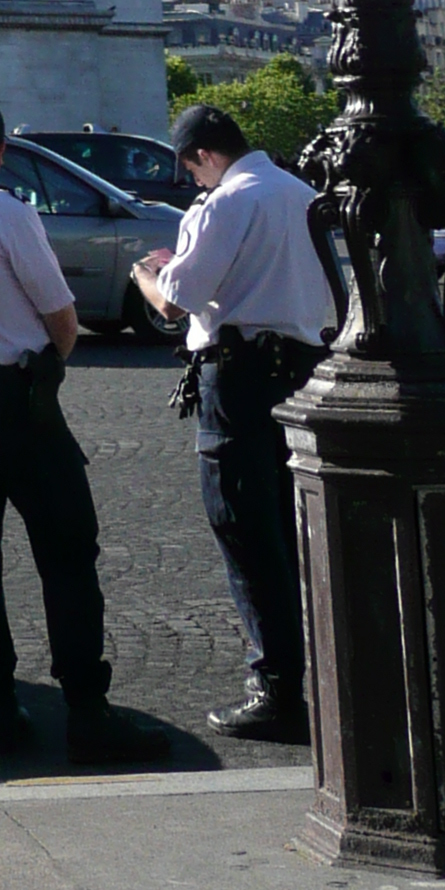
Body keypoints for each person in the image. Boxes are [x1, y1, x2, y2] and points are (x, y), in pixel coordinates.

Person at [0, 98, 168, 768]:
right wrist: (44, 369)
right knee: (68, 551)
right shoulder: (6, 212)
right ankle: (86, 711)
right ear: (0, 153)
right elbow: (61, 316)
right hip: (11, 397)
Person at [131, 105, 334, 744]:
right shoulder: (303, 195)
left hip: (241, 379)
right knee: (300, 528)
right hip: (305, 370)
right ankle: (328, 675)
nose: (194, 184)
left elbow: (176, 302)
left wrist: (149, 271)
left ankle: (275, 690)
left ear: (204, 157)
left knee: (246, 533)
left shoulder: (223, 204)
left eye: (193, 171)